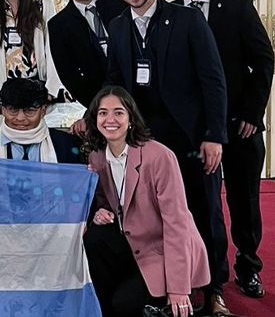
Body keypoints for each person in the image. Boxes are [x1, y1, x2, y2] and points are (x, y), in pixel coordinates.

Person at [106, 0, 230, 315]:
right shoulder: (116, 27)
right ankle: (168, 283)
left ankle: (214, 289)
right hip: (143, 143)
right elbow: (114, 81)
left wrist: (214, 135)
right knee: (155, 216)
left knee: (202, 211)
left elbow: (213, 80)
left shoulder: (188, 19)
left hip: (191, 139)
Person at [171, 0, 274, 299]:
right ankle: (209, 273)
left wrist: (251, 112)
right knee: (204, 204)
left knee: (244, 201)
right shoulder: (170, 14)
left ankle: (248, 267)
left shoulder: (238, 6)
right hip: (196, 132)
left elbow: (263, 61)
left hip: (239, 124)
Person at [83, 86, 210, 317]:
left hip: (163, 250)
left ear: (131, 118)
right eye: (102, 113)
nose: (110, 119)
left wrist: (178, 289)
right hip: (132, 243)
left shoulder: (159, 156)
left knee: (124, 304)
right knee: (94, 238)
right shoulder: (97, 157)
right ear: (95, 119)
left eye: (118, 112)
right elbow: (106, 201)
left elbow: (177, 225)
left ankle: (183, 297)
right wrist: (101, 211)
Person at [49, 0, 127, 107]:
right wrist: (99, 106)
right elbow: (69, 76)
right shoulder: (58, 25)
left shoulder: (122, 1)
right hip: (97, 101)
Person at [0, 78, 81, 163]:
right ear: (3, 110)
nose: (20, 118)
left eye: (29, 111)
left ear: (43, 111)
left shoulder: (65, 145)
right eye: (13, 110)